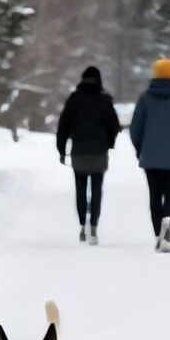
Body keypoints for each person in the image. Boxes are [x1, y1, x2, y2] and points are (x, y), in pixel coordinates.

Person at [129, 57, 170, 253]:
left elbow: (135, 129)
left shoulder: (145, 99)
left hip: (151, 156)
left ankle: (159, 233)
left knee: (154, 195)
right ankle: (168, 222)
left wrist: (140, 148)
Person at [56, 65, 121, 245]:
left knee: (81, 189)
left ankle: (82, 225)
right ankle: (94, 226)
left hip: (79, 151)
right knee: (97, 189)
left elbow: (63, 126)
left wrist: (61, 150)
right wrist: (110, 143)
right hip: (99, 150)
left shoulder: (74, 99)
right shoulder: (104, 100)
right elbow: (114, 126)